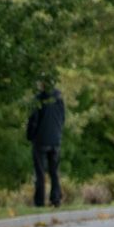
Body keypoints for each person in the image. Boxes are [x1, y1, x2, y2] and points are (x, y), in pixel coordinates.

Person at [26, 75, 66, 207]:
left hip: (41, 140)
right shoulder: (59, 99)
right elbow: (62, 118)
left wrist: (30, 136)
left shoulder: (39, 100)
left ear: (43, 84)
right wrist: (58, 133)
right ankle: (55, 199)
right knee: (54, 171)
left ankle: (39, 201)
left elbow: (34, 121)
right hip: (55, 139)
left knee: (40, 172)